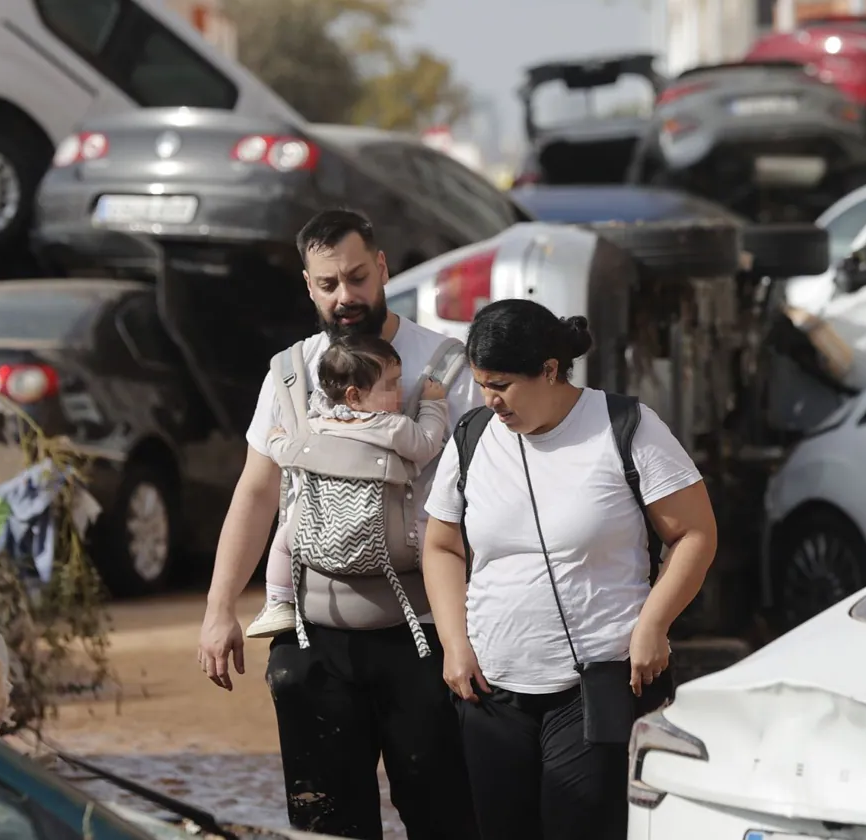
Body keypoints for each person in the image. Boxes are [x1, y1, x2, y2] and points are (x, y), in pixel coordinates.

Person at [197, 208, 481, 839]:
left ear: (382, 269)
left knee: (447, 818)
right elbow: (256, 490)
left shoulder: (444, 368)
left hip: (426, 634)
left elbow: (489, 496)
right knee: (325, 824)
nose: (345, 297)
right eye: (328, 285)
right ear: (308, 285)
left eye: (357, 278)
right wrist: (220, 609)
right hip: (313, 640)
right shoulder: (289, 373)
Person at [420, 299, 718, 840]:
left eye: (503, 385)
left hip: (596, 685)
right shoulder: (472, 436)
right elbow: (441, 545)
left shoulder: (626, 425)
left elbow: (693, 533)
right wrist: (454, 644)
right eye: (484, 384)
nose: (491, 400)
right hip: (491, 689)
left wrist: (653, 624)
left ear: (550, 371)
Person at [246, 333, 449, 642]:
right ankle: (451, 597)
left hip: (319, 540)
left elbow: (286, 454)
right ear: (354, 396)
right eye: (392, 384)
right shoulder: (393, 427)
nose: (401, 390)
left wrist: (274, 438)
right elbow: (427, 444)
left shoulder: (316, 425)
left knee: (285, 536)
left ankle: (278, 600)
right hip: (389, 541)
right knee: (436, 544)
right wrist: (433, 405)